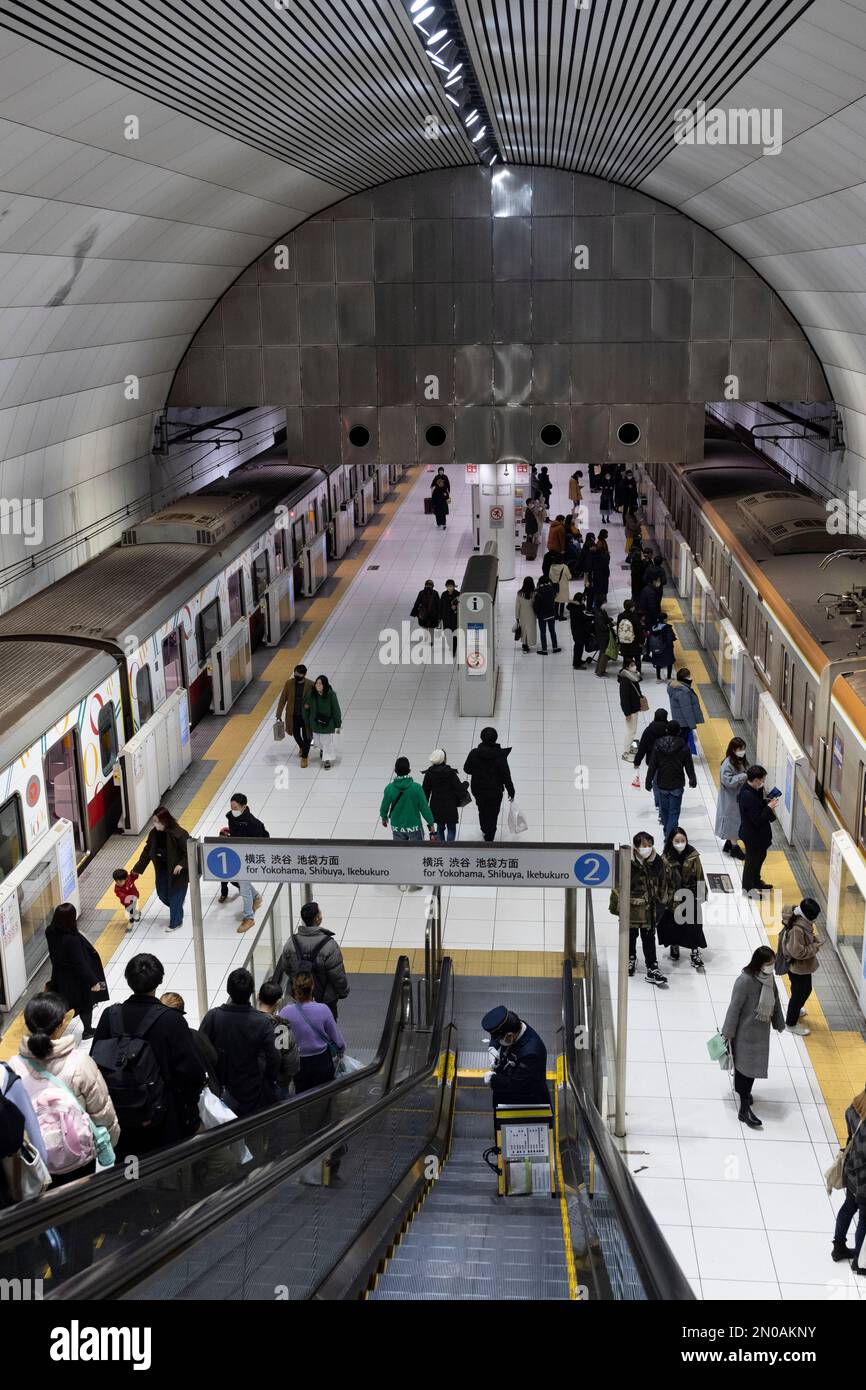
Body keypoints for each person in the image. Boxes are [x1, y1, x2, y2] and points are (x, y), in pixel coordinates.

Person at [91, 953, 206, 1156]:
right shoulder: (172, 1021)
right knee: (166, 1175)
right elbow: (193, 1073)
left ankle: (132, 1183)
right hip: (164, 1120)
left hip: (123, 1118)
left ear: (129, 980)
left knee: (130, 1172)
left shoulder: (110, 1016)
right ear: (159, 980)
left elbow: (96, 1065)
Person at [10, 992, 120, 1185]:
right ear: (60, 1024)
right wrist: (110, 1141)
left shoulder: (13, 1068)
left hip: (37, 1159)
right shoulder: (79, 1062)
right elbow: (102, 1112)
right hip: (79, 1157)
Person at [201, 968, 281, 1118]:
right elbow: (274, 1058)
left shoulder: (213, 1017)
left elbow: (200, 1050)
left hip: (221, 1093)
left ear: (228, 990)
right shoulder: (262, 1022)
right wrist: (267, 1082)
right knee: (255, 1134)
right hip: (253, 1093)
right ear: (251, 992)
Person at [721, 946, 785, 1129]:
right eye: (768, 964)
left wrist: (779, 1023)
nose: (771, 967)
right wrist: (728, 1034)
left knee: (752, 1068)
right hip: (744, 1034)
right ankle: (744, 1109)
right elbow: (734, 1009)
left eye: (773, 964)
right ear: (759, 964)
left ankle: (745, 1095)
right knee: (745, 1069)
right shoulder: (744, 981)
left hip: (761, 1034)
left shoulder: (769, 980)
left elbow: (776, 1003)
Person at [609, 832, 668, 987]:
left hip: (649, 908)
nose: (647, 848)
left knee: (649, 937)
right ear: (636, 847)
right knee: (631, 935)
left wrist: (662, 905)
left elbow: (663, 884)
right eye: (644, 845)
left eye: (649, 845)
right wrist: (619, 906)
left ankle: (652, 967)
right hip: (632, 907)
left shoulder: (658, 862)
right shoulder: (626, 861)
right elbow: (617, 884)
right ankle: (630, 958)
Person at [275, 901, 350, 1018]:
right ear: (317, 919)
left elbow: (287, 969)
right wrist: (343, 991)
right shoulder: (329, 945)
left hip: (299, 996)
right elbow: (337, 975)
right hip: (325, 999)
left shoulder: (291, 943)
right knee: (327, 1027)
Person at [279, 970, 346, 1095]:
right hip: (322, 1061)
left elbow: (281, 1043)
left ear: (294, 988)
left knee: (302, 1095)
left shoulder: (285, 1012)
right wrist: (341, 1049)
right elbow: (336, 1037)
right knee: (324, 1095)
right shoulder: (323, 1010)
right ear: (312, 987)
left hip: (299, 1063)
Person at [45, 903, 107, 1040]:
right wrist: (93, 981)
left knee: (62, 1003)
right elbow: (80, 963)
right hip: (76, 979)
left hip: (59, 974)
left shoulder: (49, 931)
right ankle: (88, 1030)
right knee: (86, 1003)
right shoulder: (71, 939)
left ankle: (50, 1029)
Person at [131, 805, 190, 934]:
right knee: (162, 894)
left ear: (165, 820)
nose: (155, 824)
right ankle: (177, 908)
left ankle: (176, 922)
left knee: (175, 895)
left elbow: (190, 851)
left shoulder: (179, 834)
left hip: (177, 873)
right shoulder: (154, 834)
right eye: (154, 821)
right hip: (162, 870)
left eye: (157, 821)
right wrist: (137, 868)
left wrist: (182, 864)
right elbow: (147, 851)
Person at [218, 793, 267, 934]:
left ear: (244, 807)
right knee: (242, 882)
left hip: (248, 857)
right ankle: (257, 897)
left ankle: (249, 918)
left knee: (244, 889)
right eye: (231, 807)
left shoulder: (253, 823)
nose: (233, 810)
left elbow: (260, 842)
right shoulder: (231, 818)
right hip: (237, 854)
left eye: (236, 807)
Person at [481, 1006, 549, 1107]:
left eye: (499, 1040)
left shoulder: (531, 1054)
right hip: (506, 1089)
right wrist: (492, 1048)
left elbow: (516, 1085)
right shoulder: (515, 1025)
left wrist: (493, 1079)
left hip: (524, 1103)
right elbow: (497, 1033)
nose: (498, 1041)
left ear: (510, 1036)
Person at [660, 829, 707, 969]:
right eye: (677, 841)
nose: (680, 843)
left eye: (683, 841)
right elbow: (662, 880)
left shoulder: (693, 856)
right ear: (671, 842)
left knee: (694, 926)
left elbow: (700, 875)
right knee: (673, 924)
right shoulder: (665, 858)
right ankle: (674, 945)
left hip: (690, 895)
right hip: (673, 897)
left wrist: (701, 895)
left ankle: (694, 951)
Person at [380, 756, 436, 871]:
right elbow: (424, 808)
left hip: (397, 826)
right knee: (418, 851)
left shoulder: (389, 788)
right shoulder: (416, 788)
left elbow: (384, 806)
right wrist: (430, 823)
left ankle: (402, 876)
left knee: (400, 852)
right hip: (414, 826)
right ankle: (417, 874)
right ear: (409, 770)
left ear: (395, 771)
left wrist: (384, 818)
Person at [160, 993, 221, 1098]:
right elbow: (214, 1058)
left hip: (169, 1099)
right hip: (200, 1096)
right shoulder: (196, 1036)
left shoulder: (156, 1040)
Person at [832, 1086, 866, 1272]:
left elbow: (851, 1135)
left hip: (852, 1169)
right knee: (864, 1219)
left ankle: (838, 1247)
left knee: (848, 1208)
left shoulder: (855, 1106)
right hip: (865, 1181)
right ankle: (860, 1263)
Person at [777, 898, 822, 1036]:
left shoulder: (800, 919)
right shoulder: (797, 929)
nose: (815, 920)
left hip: (802, 967)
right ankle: (791, 1023)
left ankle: (795, 1010)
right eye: (813, 917)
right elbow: (797, 952)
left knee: (804, 990)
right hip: (798, 968)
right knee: (799, 993)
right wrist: (814, 947)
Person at [645, 719, 697, 839]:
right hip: (677, 784)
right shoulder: (684, 746)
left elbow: (653, 765)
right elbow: (689, 765)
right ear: (679, 732)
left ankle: (667, 832)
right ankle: (669, 836)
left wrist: (648, 781)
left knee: (664, 810)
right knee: (674, 811)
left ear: (667, 730)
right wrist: (692, 779)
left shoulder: (658, 744)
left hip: (662, 783)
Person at [464, 727, 515, 843]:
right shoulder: (500, 755)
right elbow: (506, 775)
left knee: (482, 810)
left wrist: (477, 770)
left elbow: (466, 769)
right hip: (495, 791)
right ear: (495, 739)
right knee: (493, 813)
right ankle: (490, 836)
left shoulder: (474, 753)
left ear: (482, 737)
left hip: (478, 789)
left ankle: (484, 829)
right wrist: (511, 791)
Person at [738, 765, 779, 894]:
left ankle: (755, 881)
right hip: (752, 835)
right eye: (762, 780)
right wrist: (769, 807)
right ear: (756, 780)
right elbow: (757, 819)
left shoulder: (752, 789)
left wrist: (766, 801)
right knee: (751, 860)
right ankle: (747, 888)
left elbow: (758, 804)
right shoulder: (747, 795)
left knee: (760, 856)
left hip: (758, 835)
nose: (763, 782)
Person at [257, 982, 301, 1101]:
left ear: (257, 997)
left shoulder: (246, 1023)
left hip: (248, 1083)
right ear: (278, 1002)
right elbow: (292, 1065)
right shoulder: (281, 1028)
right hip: (276, 1084)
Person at [634, 708, 670, 823]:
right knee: (664, 784)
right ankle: (662, 804)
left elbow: (642, 747)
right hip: (668, 762)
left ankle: (658, 802)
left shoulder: (649, 730)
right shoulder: (669, 729)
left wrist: (637, 761)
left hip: (653, 761)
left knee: (656, 782)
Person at [276, 663, 315, 767]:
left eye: (298, 674)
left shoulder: (311, 685)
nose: (296, 676)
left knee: (307, 736)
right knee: (296, 735)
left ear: (304, 674)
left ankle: (304, 757)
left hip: (306, 716)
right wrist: (278, 713)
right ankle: (302, 747)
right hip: (293, 715)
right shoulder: (289, 683)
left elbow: (317, 698)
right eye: (295, 674)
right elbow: (282, 699)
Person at [715, 738, 749, 858]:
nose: (742, 751)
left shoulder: (740, 761)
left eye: (743, 749)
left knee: (735, 822)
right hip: (730, 799)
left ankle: (729, 843)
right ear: (733, 749)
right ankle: (734, 847)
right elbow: (728, 781)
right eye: (740, 749)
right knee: (733, 822)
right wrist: (743, 777)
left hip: (737, 798)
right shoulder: (727, 764)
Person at [422, 750, 465, 843]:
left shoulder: (429, 774)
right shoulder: (451, 773)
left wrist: (424, 807)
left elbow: (425, 792)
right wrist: (465, 785)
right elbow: (460, 789)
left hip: (436, 805)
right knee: (451, 828)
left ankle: (442, 847)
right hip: (450, 804)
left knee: (440, 827)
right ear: (443, 759)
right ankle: (450, 847)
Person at [303, 674, 342, 769]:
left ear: (325, 685)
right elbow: (305, 707)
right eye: (317, 683)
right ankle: (323, 750)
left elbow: (336, 710)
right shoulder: (311, 694)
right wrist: (307, 721)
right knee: (317, 742)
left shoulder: (331, 695)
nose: (318, 685)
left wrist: (338, 724)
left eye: (320, 684)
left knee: (326, 742)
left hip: (327, 724)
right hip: (315, 724)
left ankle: (327, 760)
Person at [667, 667, 704, 755]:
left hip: (678, 718)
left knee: (681, 739)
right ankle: (681, 755)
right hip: (684, 722)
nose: (690, 678)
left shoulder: (675, 687)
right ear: (685, 678)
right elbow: (687, 710)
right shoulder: (683, 692)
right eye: (689, 676)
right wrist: (692, 725)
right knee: (683, 740)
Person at [618, 658, 644, 762]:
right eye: (632, 665)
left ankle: (632, 749)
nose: (635, 666)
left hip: (635, 707)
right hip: (631, 710)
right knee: (630, 731)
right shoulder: (625, 681)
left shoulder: (633, 677)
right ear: (627, 667)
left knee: (633, 730)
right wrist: (627, 713)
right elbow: (624, 699)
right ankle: (626, 753)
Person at [532, 572, 560, 654]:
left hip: (542, 615)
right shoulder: (552, 590)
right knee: (552, 631)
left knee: (543, 632)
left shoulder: (538, 592)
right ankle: (555, 647)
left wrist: (536, 612)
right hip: (551, 613)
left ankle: (544, 649)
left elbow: (536, 606)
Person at [567, 592, 594, 669]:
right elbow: (584, 618)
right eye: (583, 600)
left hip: (577, 630)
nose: (584, 601)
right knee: (578, 648)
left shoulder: (574, 607)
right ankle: (576, 664)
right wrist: (593, 617)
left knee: (579, 647)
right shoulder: (576, 610)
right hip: (579, 631)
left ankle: (578, 660)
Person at [615, 599, 643, 673]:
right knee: (637, 658)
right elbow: (638, 631)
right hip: (634, 642)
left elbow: (618, 628)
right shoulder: (635, 617)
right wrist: (641, 641)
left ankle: (625, 671)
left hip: (624, 642)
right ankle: (637, 672)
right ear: (632, 607)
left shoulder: (620, 616)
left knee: (626, 658)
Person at [647, 614, 676, 682]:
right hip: (666, 648)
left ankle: (658, 678)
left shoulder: (653, 627)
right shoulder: (667, 628)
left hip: (656, 648)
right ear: (665, 619)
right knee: (669, 662)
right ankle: (668, 678)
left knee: (658, 662)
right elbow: (671, 638)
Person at [514, 575, 538, 654]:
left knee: (523, 629)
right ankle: (529, 643)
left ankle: (524, 645)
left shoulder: (520, 593)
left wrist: (517, 617)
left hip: (522, 614)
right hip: (532, 614)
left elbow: (517, 606)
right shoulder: (534, 593)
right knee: (530, 629)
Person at [593, 603, 616, 677]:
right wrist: (611, 624)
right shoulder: (599, 614)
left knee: (603, 652)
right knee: (604, 654)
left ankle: (599, 670)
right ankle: (600, 672)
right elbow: (603, 627)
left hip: (603, 635)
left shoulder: (601, 611)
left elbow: (606, 619)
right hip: (603, 636)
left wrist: (610, 621)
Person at [440, 578, 460, 656]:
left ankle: (454, 649)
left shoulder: (458, 594)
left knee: (455, 634)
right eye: (448, 586)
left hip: (455, 618)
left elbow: (462, 605)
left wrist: (456, 608)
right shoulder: (444, 595)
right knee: (447, 634)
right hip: (446, 618)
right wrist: (440, 618)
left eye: (451, 586)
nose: (449, 588)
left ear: (454, 586)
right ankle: (451, 646)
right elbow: (441, 606)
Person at [549, 551, 571, 621]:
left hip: (555, 586)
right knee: (562, 601)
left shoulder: (552, 567)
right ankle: (561, 615)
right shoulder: (565, 567)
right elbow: (569, 577)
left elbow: (550, 576)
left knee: (556, 600)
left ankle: (555, 614)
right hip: (563, 587)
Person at [590, 532, 610, 606]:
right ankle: (602, 601)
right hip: (602, 575)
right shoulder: (604, 557)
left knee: (598, 589)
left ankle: (596, 603)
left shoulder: (595, 557)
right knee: (602, 589)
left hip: (597, 575)